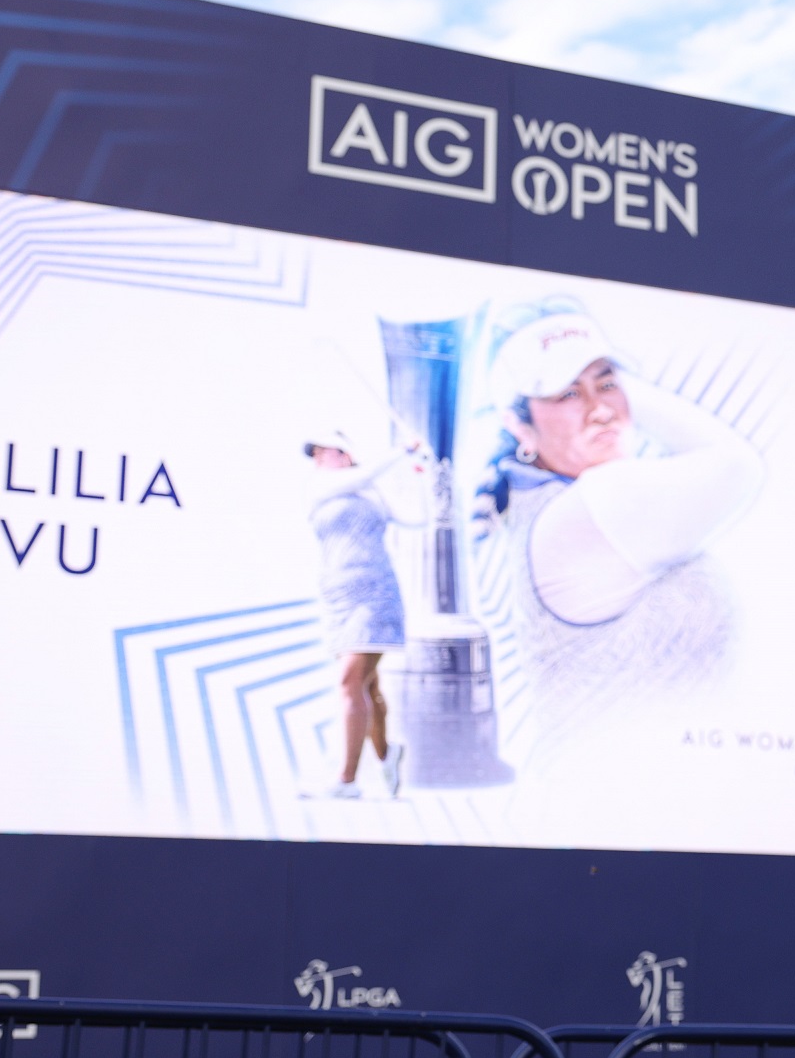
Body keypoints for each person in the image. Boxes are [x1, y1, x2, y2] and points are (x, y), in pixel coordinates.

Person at [473, 303, 764, 754]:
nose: (600, 410)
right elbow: (737, 464)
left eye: (607, 384)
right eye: (566, 393)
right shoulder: (595, 501)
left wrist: (596, 380)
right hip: (615, 803)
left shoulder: (547, 503)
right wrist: (612, 381)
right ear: (518, 426)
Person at [304, 428, 425, 799]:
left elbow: (416, 517)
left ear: (345, 453)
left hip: (375, 594)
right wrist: (401, 450)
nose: (318, 458)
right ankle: (387, 757)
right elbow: (366, 474)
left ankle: (346, 780)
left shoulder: (372, 492)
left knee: (350, 682)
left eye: (325, 451)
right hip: (338, 597)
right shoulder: (321, 488)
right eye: (317, 453)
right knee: (368, 686)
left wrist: (420, 472)